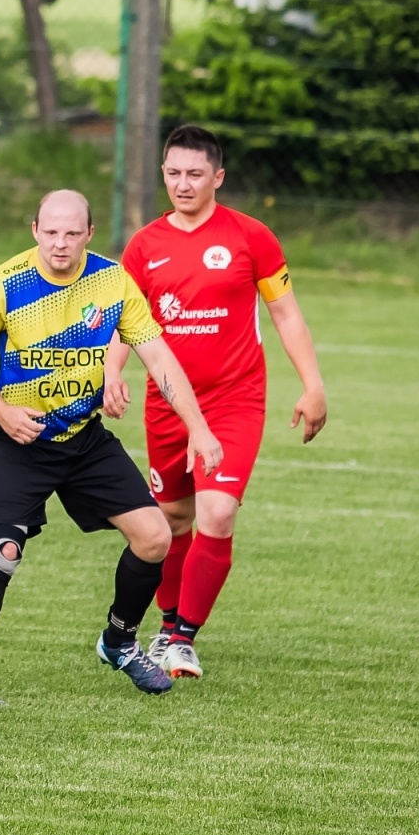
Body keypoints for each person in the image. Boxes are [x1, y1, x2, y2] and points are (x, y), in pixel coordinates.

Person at [0, 190, 222, 704]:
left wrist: (199, 427)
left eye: (72, 233)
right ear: (34, 231)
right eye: (51, 232)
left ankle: (119, 641)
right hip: (19, 442)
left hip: (83, 439)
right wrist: (3, 414)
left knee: (155, 537)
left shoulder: (112, 281)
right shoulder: (6, 282)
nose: (60, 244)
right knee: (2, 553)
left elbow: (159, 359)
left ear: (89, 235)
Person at [107, 125, 327, 680]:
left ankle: (182, 638)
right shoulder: (144, 246)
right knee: (173, 519)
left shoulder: (252, 237)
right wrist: (113, 372)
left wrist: (313, 383)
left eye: (195, 174)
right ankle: (167, 624)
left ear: (218, 177)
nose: (183, 184)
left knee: (218, 511)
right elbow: (123, 323)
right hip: (167, 404)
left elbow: (285, 314)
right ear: (164, 174)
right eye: (174, 173)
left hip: (235, 399)